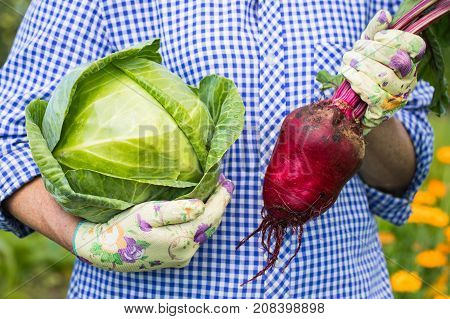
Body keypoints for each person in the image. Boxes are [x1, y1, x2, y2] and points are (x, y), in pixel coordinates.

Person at [0, 0, 433, 298]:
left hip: (346, 290)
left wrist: (373, 107)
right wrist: (89, 239)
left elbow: (399, 175)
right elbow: (9, 143)